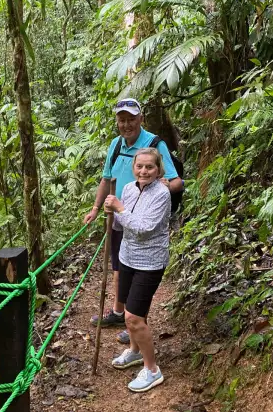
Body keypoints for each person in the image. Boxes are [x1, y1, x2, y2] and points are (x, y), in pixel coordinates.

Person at [83, 98, 182, 343]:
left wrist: (156, 194)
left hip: (142, 222)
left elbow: (177, 181)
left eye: (131, 119)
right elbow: (107, 179)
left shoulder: (153, 144)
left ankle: (136, 322)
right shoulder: (116, 145)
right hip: (118, 217)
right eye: (122, 120)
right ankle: (121, 313)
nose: (126, 124)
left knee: (141, 270)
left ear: (141, 118)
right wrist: (96, 208)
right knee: (120, 266)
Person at [104, 148, 170, 392]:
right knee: (133, 310)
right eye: (139, 166)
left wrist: (119, 208)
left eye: (149, 167)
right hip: (127, 257)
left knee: (132, 317)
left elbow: (144, 227)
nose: (144, 171)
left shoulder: (162, 194)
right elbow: (123, 221)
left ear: (158, 169)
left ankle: (152, 369)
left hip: (150, 262)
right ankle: (134, 351)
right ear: (133, 168)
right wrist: (111, 212)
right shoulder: (130, 188)